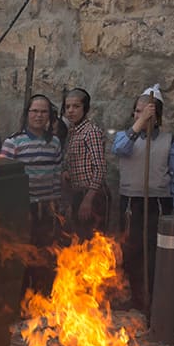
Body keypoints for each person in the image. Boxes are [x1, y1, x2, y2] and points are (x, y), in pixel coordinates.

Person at [111, 83, 174, 312]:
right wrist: (140, 123)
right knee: (131, 250)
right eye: (137, 111)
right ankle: (133, 297)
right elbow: (120, 150)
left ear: (157, 115)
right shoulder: (124, 137)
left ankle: (152, 299)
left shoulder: (168, 141)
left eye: (146, 112)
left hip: (158, 202)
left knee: (154, 252)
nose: (139, 115)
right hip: (132, 201)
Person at [0, 94, 64, 296]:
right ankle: (20, 301)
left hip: (46, 209)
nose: (38, 115)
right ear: (27, 114)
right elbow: (5, 179)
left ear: (50, 116)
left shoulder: (54, 143)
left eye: (43, 111)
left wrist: (56, 208)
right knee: (22, 256)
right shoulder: (13, 142)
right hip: (22, 209)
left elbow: (56, 175)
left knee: (44, 255)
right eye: (34, 111)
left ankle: (40, 300)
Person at [62, 88, 109, 240]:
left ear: (86, 109)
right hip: (78, 193)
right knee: (79, 238)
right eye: (67, 107)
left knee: (93, 240)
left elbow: (100, 168)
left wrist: (88, 199)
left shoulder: (91, 132)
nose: (70, 111)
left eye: (76, 107)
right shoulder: (73, 132)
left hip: (92, 195)